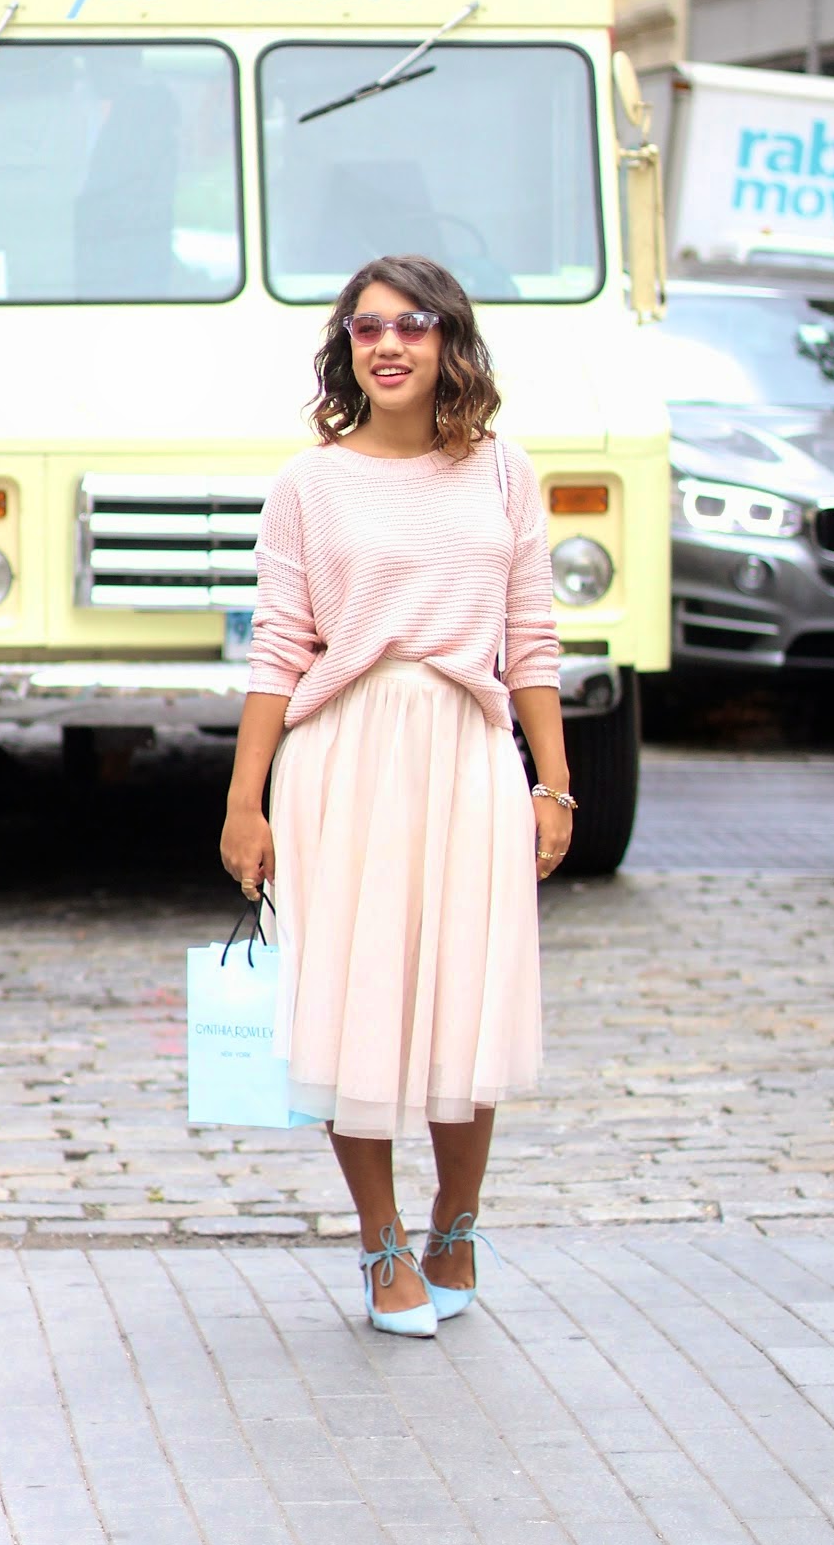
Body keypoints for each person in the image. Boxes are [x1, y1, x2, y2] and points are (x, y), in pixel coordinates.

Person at [220, 254, 572, 1339]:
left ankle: (454, 1220)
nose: (388, 344)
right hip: (342, 755)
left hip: (469, 752)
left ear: (449, 341)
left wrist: (551, 781)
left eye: (412, 326)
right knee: (357, 998)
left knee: (472, 995)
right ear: (346, 348)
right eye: (367, 327)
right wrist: (246, 801)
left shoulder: (505, 472)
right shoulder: (308, 485)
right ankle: (379, 1240)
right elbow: (279, 644)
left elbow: (533, 638)